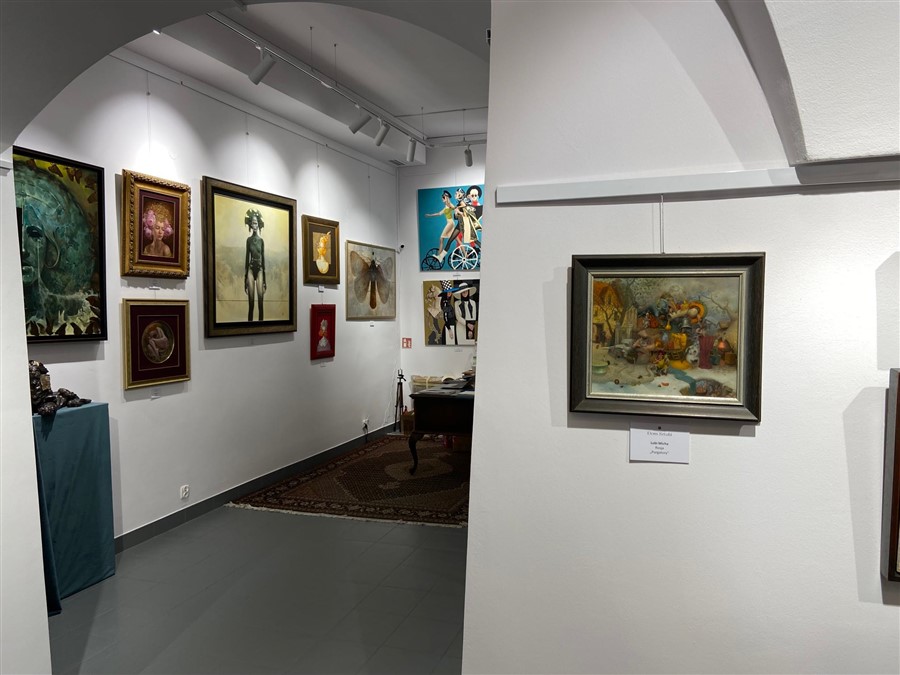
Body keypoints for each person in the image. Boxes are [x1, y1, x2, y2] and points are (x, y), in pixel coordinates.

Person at [244, 209, 266, 321]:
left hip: (260, 269)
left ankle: (261, 326)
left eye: (256, 223)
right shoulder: (248, 240)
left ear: (259, 224)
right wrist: (245, 280)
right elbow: (246, 259)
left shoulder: (261, 241)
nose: (255, 225)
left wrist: (265, 281)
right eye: (253, 223)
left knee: (260, 302)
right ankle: (250, 326)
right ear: (250, 225)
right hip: (251, 269)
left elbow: (263, 259)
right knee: (251, 302)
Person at [424, 190, 456, 263]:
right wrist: (430, 215)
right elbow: (438, 213)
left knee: (441, 238)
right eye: (442, 197)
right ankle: (465, 254)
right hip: (450, 223)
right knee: (456, 240)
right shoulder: (446, 207)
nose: (442, 199)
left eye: (443, 197)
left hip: (450, 223)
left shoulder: (449, 204)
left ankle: (439, 256)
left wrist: (447, 198)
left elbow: (454, 208)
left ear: (446, 198)